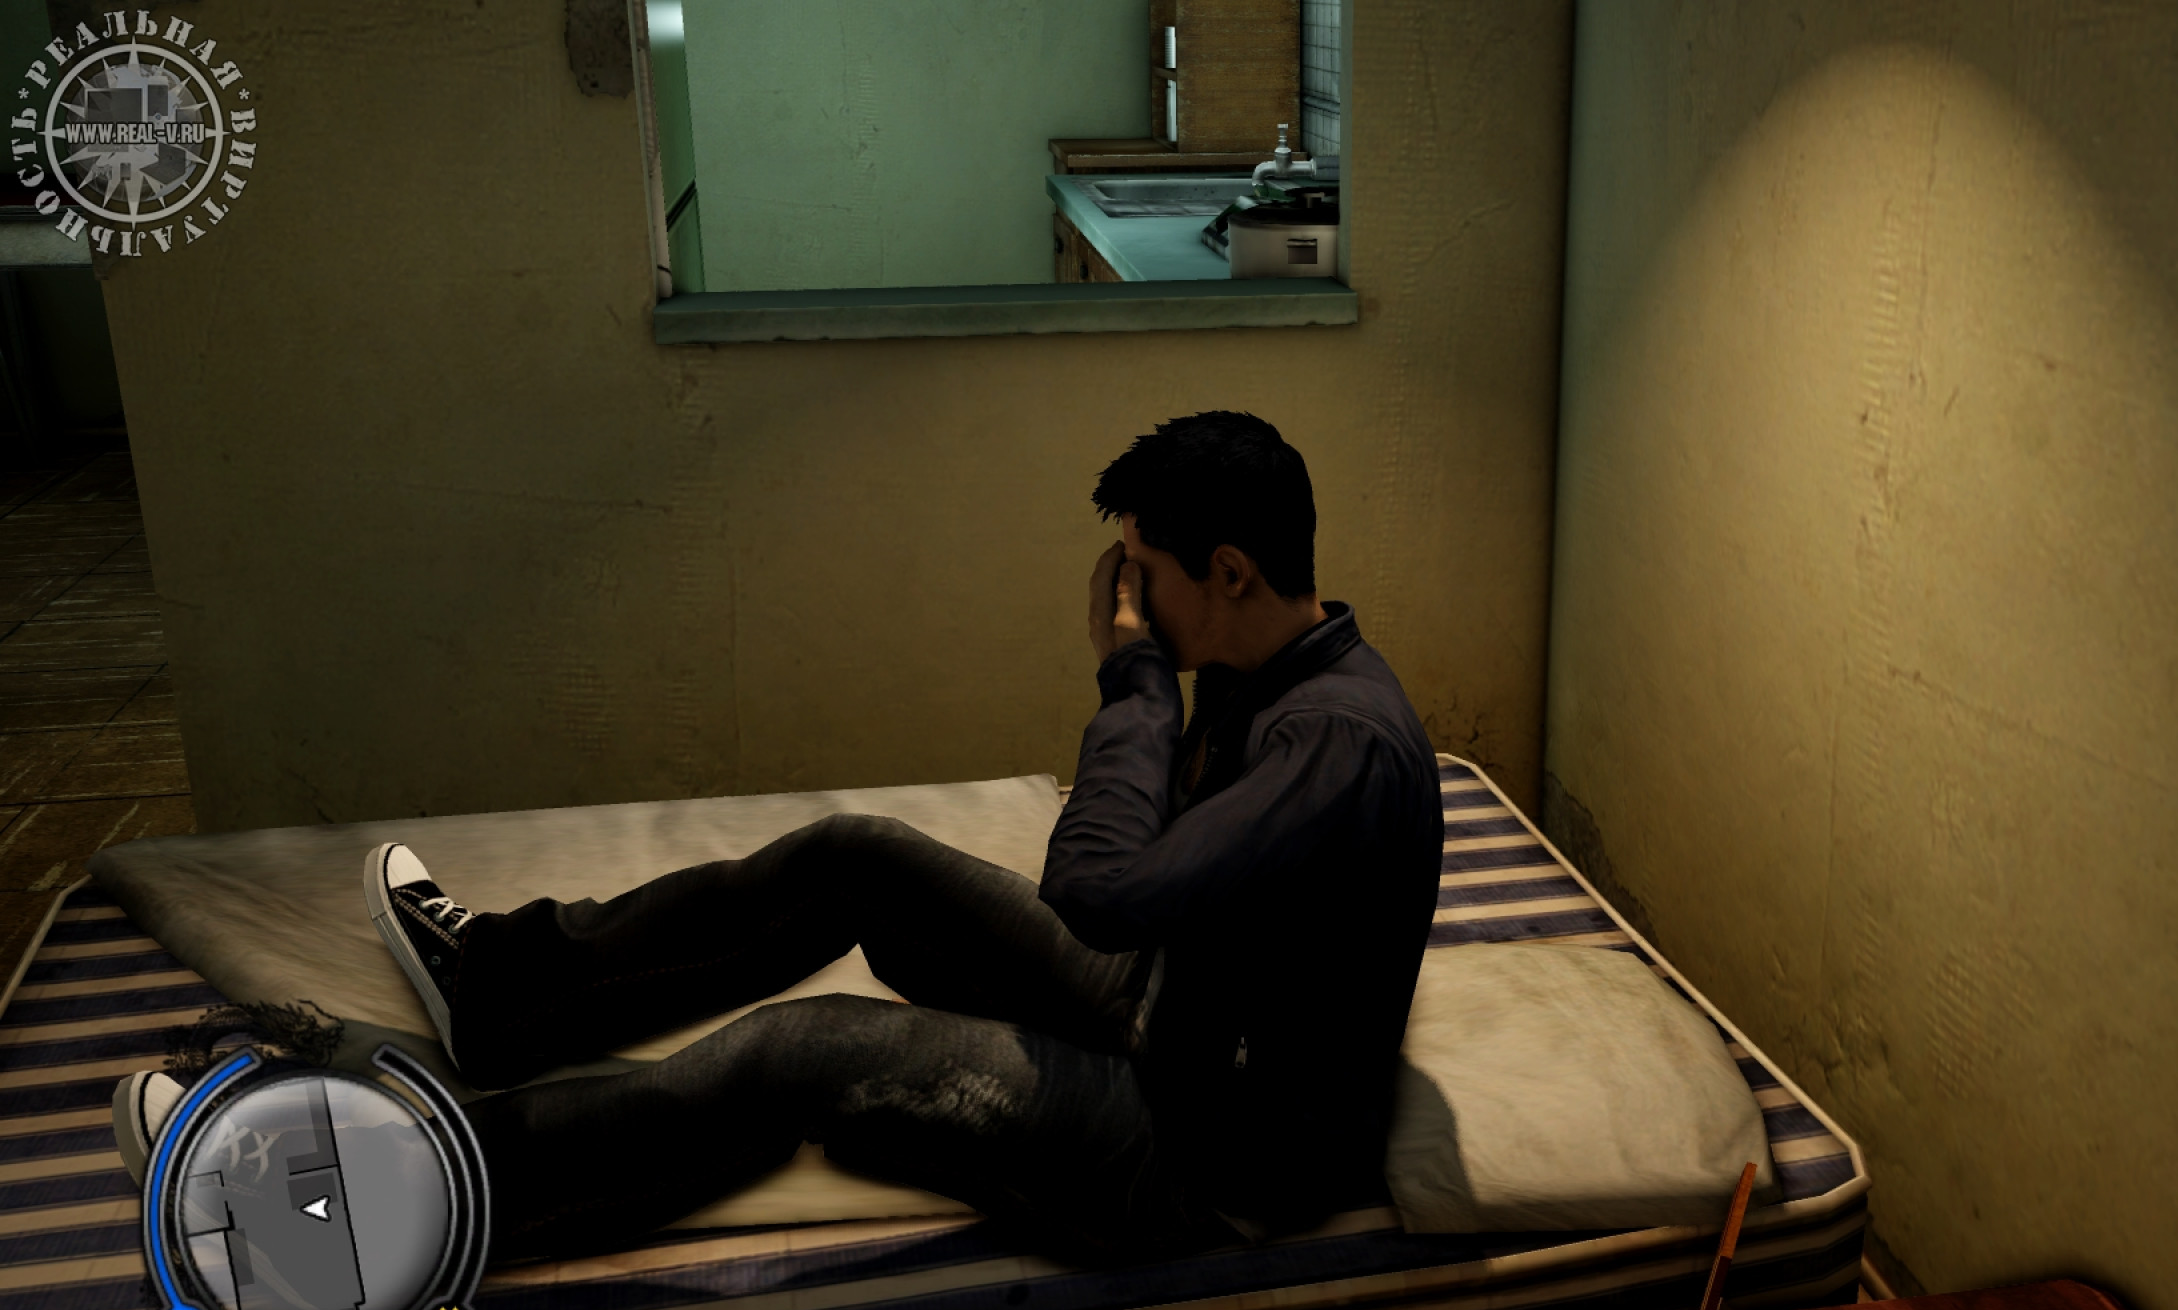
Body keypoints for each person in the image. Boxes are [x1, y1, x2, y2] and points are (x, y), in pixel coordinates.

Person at [114, 411, 1445, 1265]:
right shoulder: (1263, 670)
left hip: (1207, 1150)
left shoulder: (1336, 746)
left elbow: (1097, 886)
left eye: (1144, 578)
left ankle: (373, 1206)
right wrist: (1159, 682)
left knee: (805, 1052)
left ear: (1228, 574)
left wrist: (1131, 681)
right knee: (855, 855)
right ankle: (508, 993)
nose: (1128, 606)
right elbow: (1148, 887)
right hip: (1175, 1011)